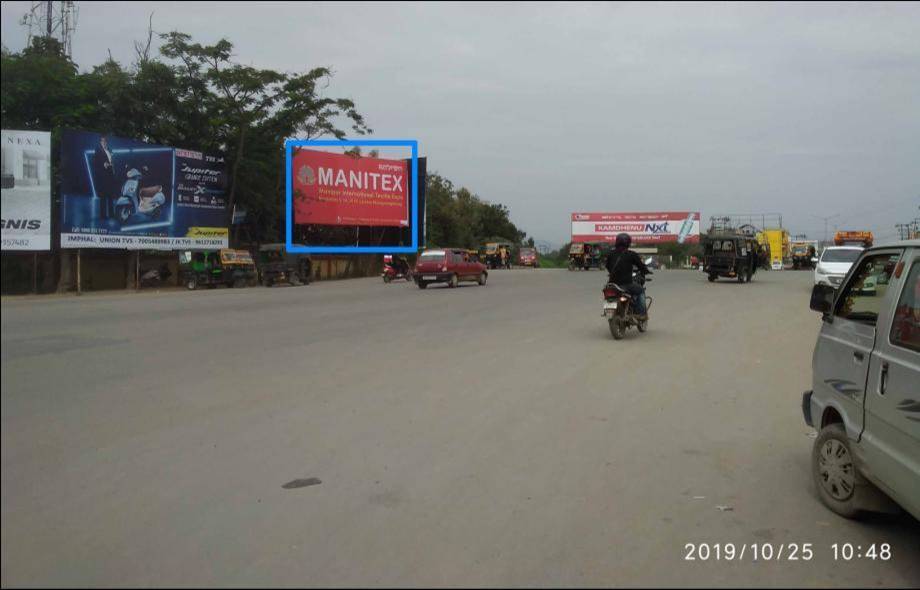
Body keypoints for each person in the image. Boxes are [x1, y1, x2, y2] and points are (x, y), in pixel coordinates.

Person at [605, 233, 652, 319]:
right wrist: (646, 271)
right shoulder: (631, 254)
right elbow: (640, 266)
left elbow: (607, 266)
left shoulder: (610, 253)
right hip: (626, 284)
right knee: (640, 291)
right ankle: (641, 314)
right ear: (628, 243)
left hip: (612, 285)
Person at [92, 135, 116, 220]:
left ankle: (111, 214)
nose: (104, 143)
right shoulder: (98, 151)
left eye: (105, 141)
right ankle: (103, 215)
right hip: (103, 176)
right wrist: (103, 164)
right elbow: (95, 162)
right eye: (102, 141)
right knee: (103, 196)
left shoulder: (110, 150)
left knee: (110, 195)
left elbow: (112, 161)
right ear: (100, 142)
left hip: (110, 175)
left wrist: (112, 165)